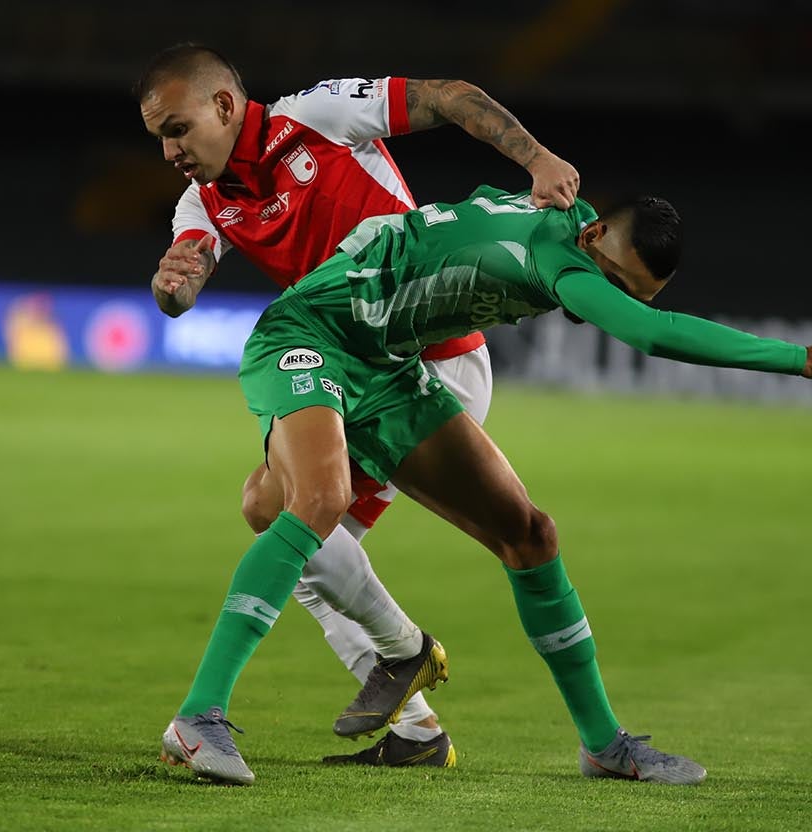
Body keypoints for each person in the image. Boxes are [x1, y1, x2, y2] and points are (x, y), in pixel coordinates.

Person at [158, 184, 812, 786]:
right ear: (593, 237)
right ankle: (198, 717)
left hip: (384, 362)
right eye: (614, 282)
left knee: (528, 535)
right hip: (309, 333)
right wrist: (799, 359)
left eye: (629, 290)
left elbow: (473, 211)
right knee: (319, 500)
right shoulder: (560, 260)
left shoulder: (559, 213)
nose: (605, 297)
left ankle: (604, 744)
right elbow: (651, 335)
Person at [137, 43, 582, 767]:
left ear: (223, 105)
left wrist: (533, 158)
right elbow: (183, 283)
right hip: (349, 369)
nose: (168, 151)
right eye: (158, 136)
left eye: (176, 128)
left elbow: (445, 93)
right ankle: (416, 728)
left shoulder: (314, 117)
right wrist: (172, 283)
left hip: (433, 365)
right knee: (297, 540)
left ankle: (404, 659)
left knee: (285, 518)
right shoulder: (204, 201)